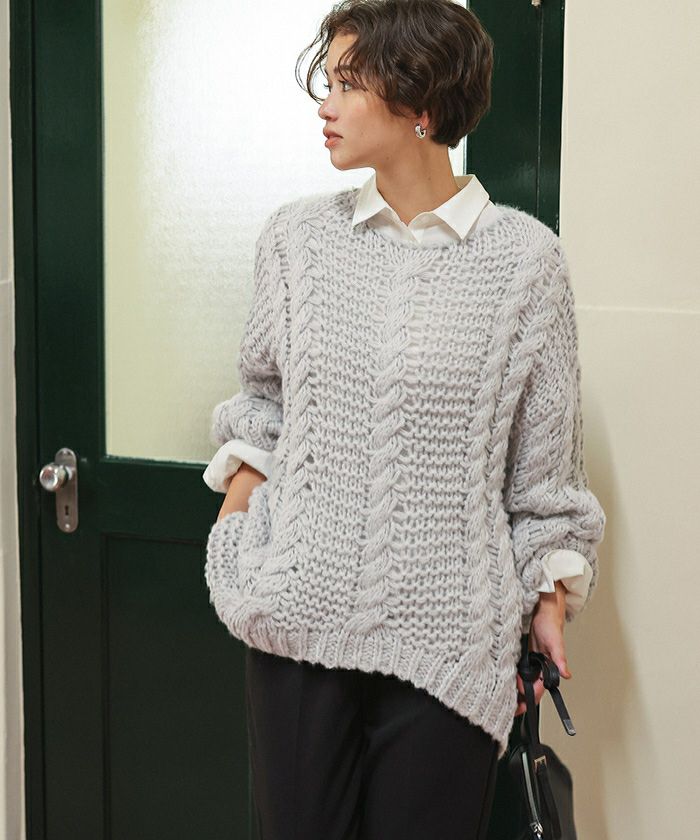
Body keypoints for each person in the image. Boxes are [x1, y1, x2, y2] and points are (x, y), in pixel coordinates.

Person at [202, 1, 606, 838]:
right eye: (327, 83)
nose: (325, 105)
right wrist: (237, 528)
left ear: (420, 99)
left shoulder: (526, 263)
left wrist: (549, 602)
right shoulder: (295, 242)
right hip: (296, 625)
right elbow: (262, 407)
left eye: (347, 84)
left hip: (450, 648)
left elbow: (545, 482)